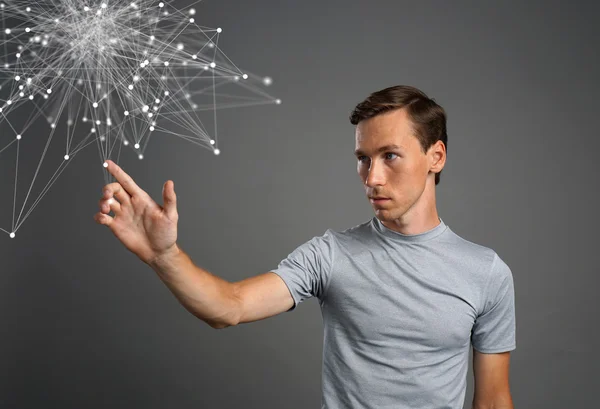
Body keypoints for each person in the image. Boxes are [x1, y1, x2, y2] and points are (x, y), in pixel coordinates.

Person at [94, 85, 516, 409]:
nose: (371, 177)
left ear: (435, 157)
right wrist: (163, 255)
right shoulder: (330, 255)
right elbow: (229, 307)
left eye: (390, 156)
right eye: (362, 158)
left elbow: (494, 401)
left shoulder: (485, 272)